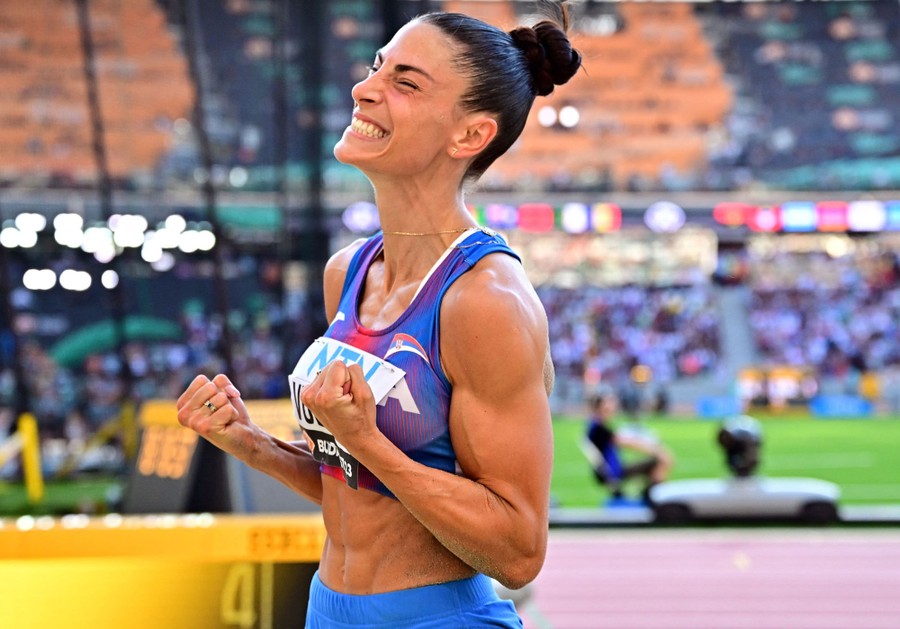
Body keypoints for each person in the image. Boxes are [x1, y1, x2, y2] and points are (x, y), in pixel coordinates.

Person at [176, 5, 582, 628]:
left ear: (470, 136)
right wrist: (251, 445)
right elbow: (361, 495)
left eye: (406, 82)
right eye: (377, 68)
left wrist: (365, 439)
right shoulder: (347, 272)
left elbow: (518, 551)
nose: (364, 89)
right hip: (329, 609)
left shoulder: (484, 300)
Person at [583, 390, 673, 504]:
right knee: (660, 461)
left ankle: (650, 496)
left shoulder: (597, 424)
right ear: (601, 406)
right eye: (610, 402)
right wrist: (655, 450)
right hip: (612, 472)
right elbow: (625, 442)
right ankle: (655, 500)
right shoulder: (599, 427)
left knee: (656, 460)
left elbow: (621, 439)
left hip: (611, 470)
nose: (614, 404)